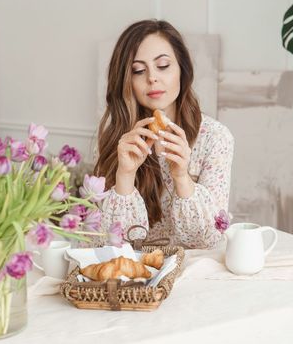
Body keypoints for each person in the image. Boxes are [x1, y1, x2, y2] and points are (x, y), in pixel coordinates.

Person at [93, 19, 234, 249]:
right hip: (138, 279)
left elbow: (208, 239)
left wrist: (182, 177)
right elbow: (109, 244)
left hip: (194, 274)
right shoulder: (119, 140)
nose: (152, 78)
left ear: (182, 70)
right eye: (138, 70)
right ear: (127, 81)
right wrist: (125, 176)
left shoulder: (215, 138)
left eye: (163, 65)